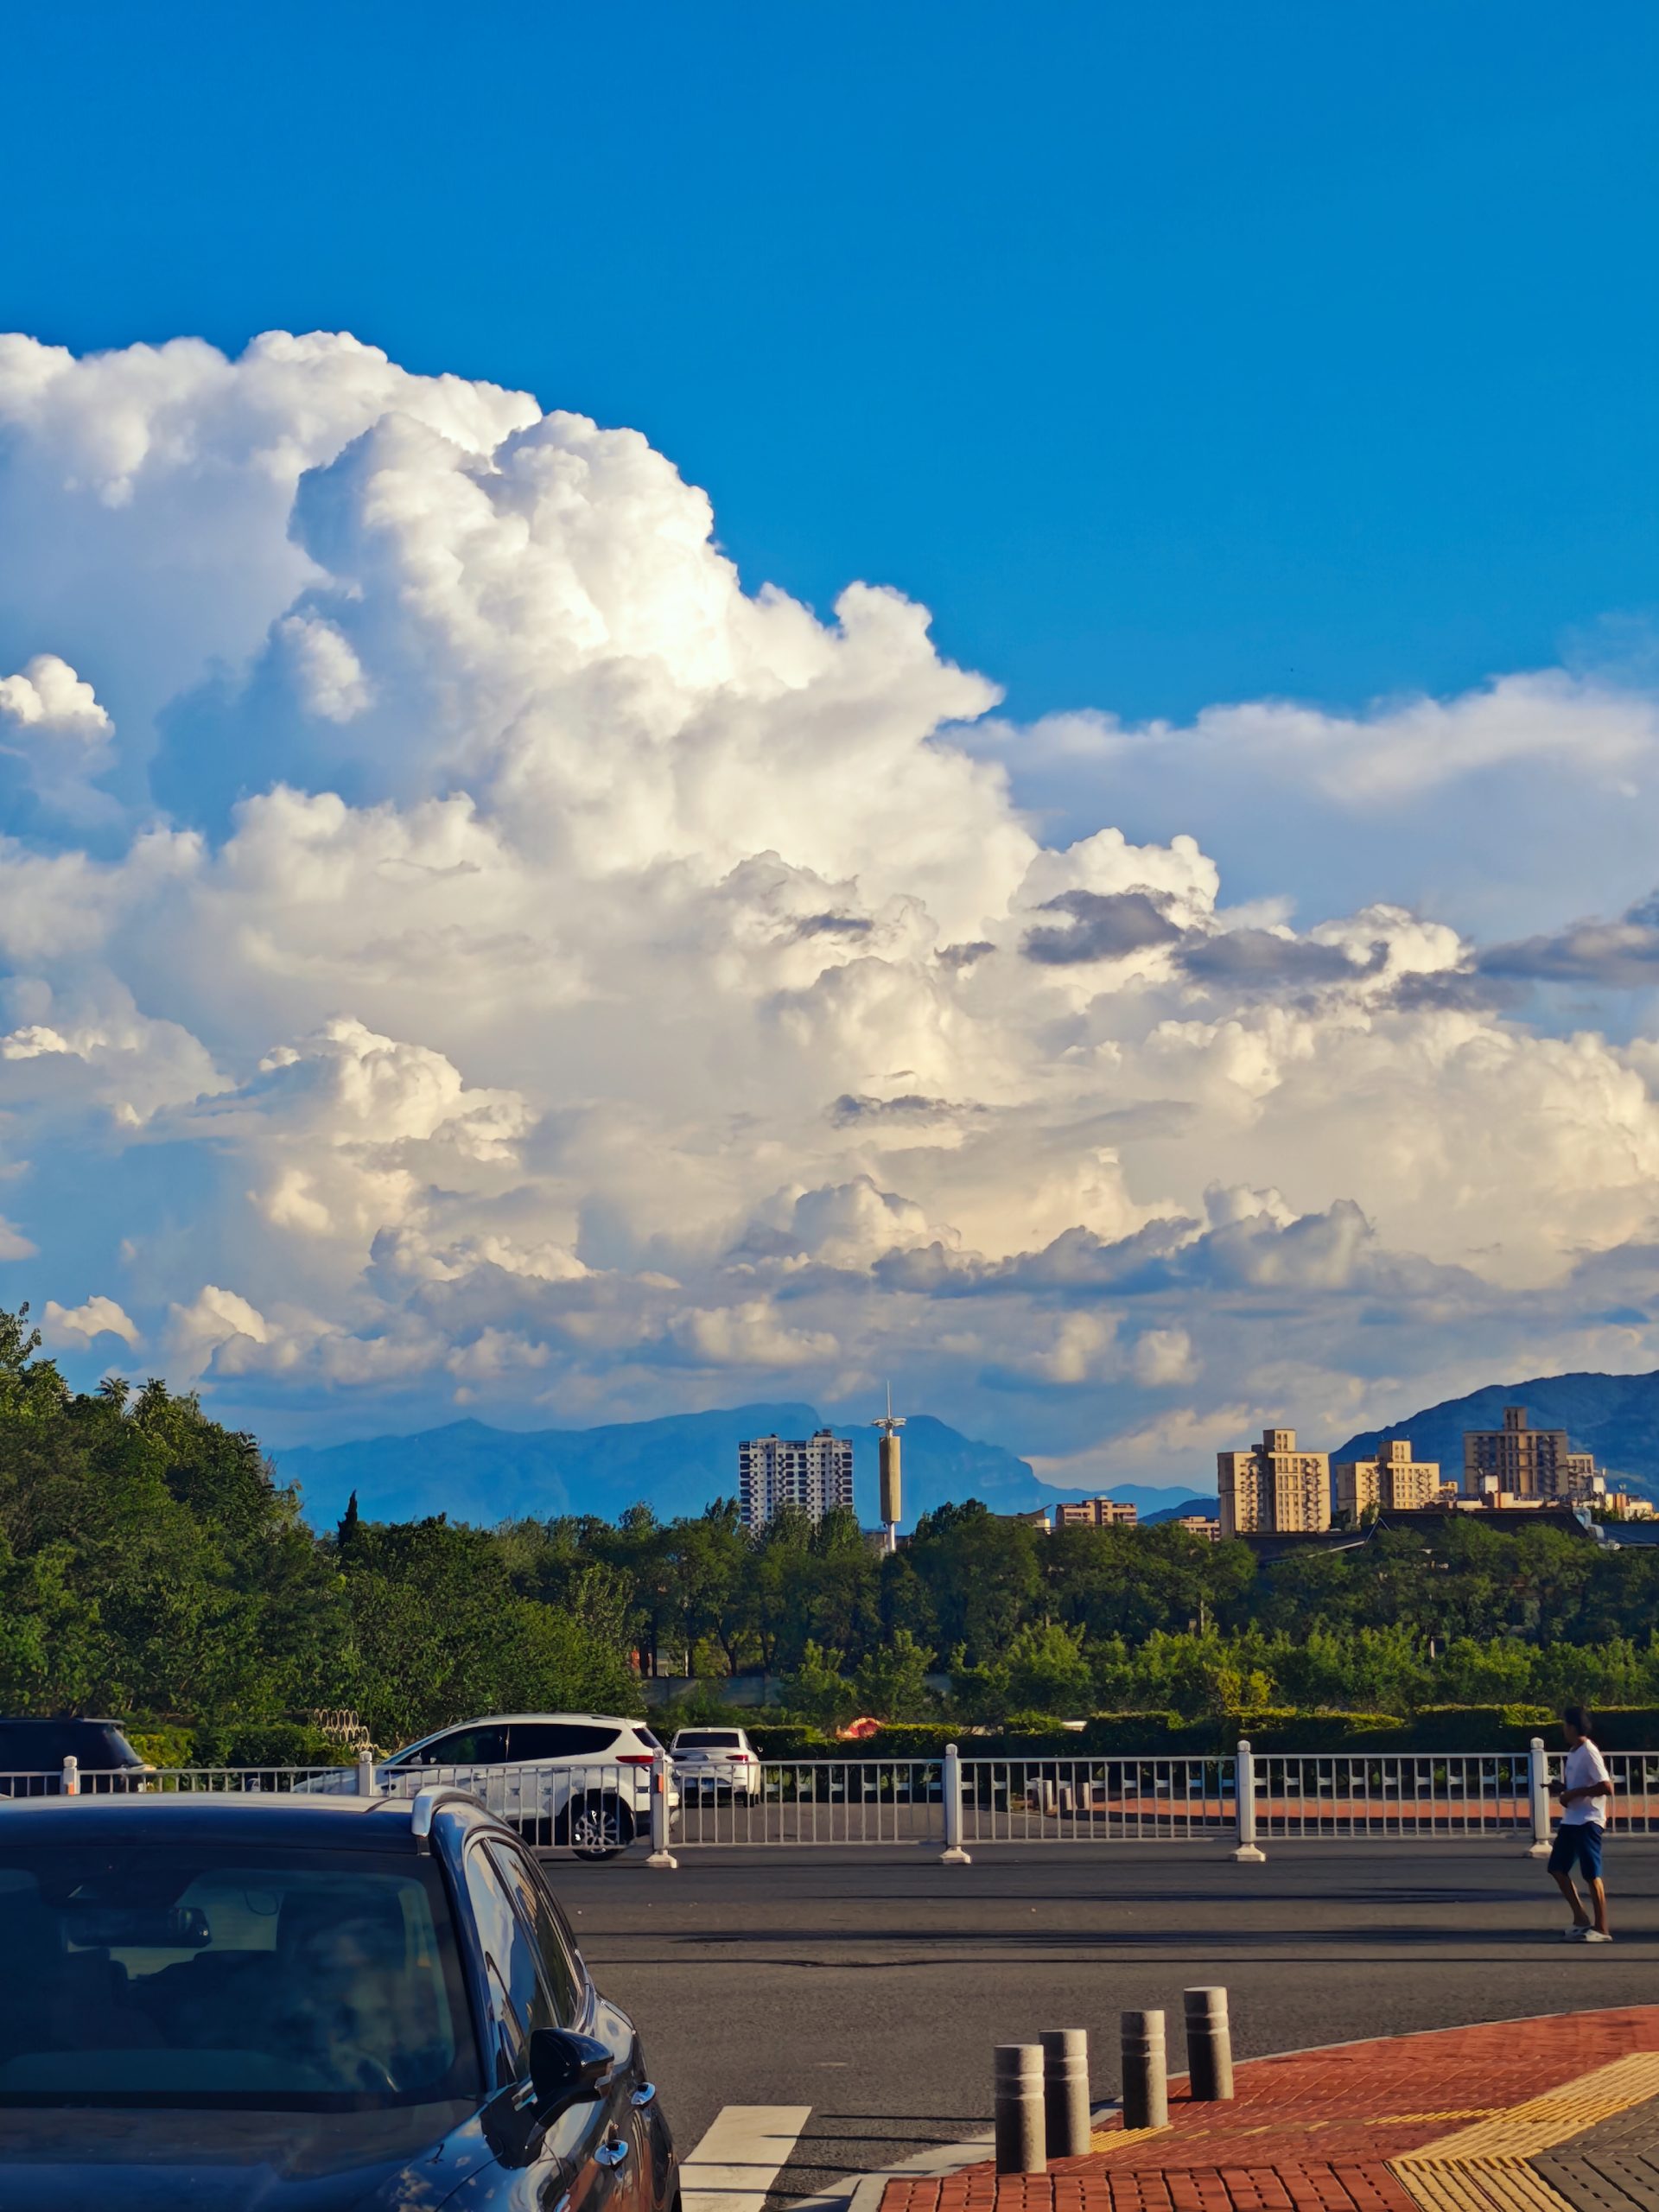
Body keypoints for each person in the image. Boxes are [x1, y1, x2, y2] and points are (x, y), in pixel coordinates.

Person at [1548, 1705, 1614, 1942]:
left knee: (1591, 1874)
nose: (1563, 1729)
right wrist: (1564, 1789)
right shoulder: (1574, 1752)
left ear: (1573, 1727)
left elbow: (1606, 1786)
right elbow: (1581, 1785)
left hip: (1589, 1820)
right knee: (1557, 1868)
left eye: (1565, 1725)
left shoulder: (1589, 1751)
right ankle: (1581, 1919)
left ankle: (1602, 1928)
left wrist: (1573, 1793)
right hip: (1572, 1820)